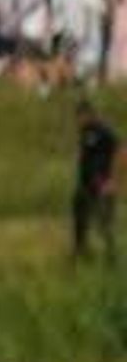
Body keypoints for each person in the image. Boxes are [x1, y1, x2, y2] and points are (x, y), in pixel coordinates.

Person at [75, 103, 117, 264]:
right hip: (85, 182)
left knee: (104, 221)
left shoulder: (104, 130)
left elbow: (121, 152)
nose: (79, 120)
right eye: (78, 117)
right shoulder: (84, 131)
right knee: (80, 216)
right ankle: (81, 251)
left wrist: (113, 180)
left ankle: (111, 255)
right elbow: (85, 153)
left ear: (89, 114)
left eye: (81, 116)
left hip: (102, 182)